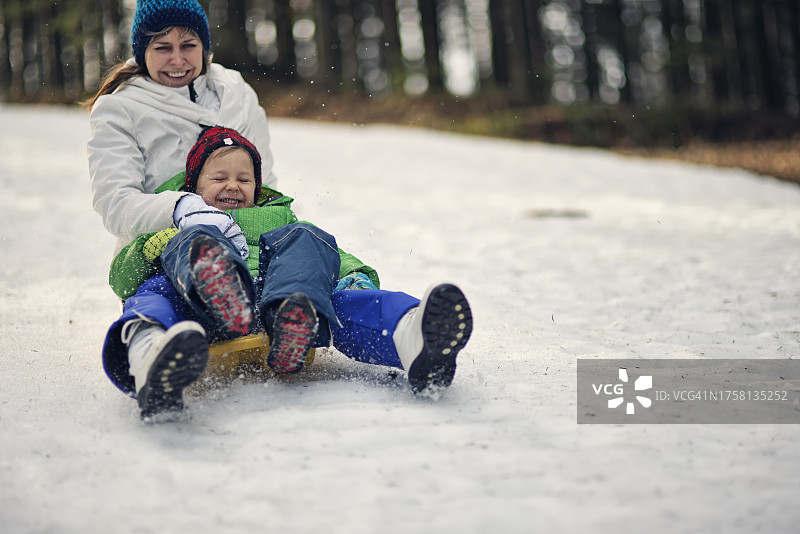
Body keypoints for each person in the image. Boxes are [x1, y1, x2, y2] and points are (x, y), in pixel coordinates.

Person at [105, 127, 473, 419]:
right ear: (193, 187)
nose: (233, 185)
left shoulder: (280, 216)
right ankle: (149, 354)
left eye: (244, 179)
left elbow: (330, 256)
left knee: (311, 244)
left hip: (278, 302)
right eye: (219, 177)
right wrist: (154, 245)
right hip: (199, 310)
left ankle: (411, 336)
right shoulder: (176, 222)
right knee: (155, 289)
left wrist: (354, 275)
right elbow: (122, 278)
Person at [82, 0, 275, 418]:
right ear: (141, 52)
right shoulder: (121, 108)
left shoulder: (237, 95)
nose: (176, 59)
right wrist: (183, 208)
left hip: (244, 247)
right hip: (161, 250)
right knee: (157, 299)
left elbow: (265, 184)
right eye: (161, 47)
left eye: (188, 45)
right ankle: (153, 360)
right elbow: (115, 202)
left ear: (205, 46)